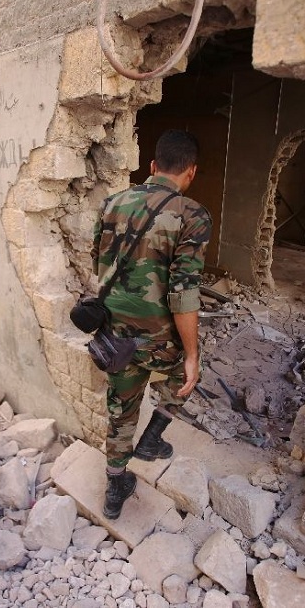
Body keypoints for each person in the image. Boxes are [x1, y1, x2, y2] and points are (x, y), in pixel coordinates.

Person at [91, 129, 212, 520]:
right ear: (191, 172)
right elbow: (184, 293)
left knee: (119, 409)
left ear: (153, 166)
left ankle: (115, 488)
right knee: (189, 372)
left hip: (115, 338)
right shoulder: (192, 215)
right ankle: (153, 438)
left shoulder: (112, 203)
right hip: (161, 343)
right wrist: (191, 353)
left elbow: (99, 265)